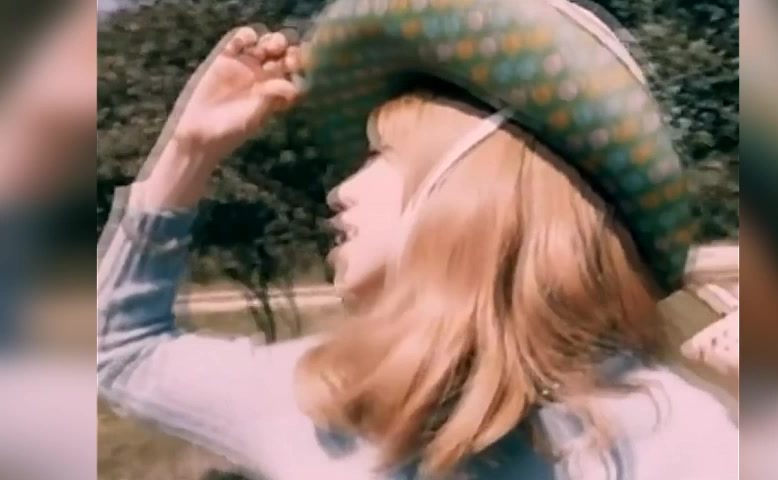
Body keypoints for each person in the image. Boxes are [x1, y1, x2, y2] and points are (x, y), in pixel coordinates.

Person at [98, 1, 738, 479]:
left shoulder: (679, 436)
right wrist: (188, 153)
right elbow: (122, 353)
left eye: (380, 155)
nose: (341, 191)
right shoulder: (325, 397)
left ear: (470, 191)